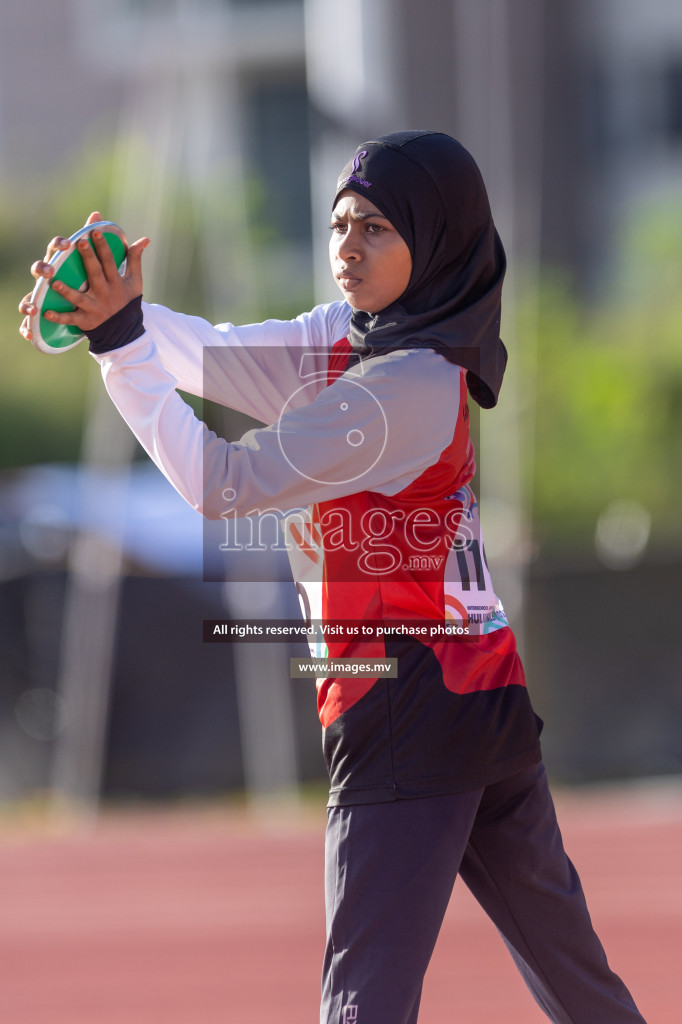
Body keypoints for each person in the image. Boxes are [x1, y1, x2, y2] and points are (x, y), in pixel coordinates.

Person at [19, 130, 647, 1024]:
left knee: (362, 1000)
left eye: (379, 229)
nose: (348, 247)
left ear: (434, 241)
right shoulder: (346, 338)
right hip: (481, 689)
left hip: (402, 706)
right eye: (339, 222)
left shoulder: (406, 386)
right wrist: (109, 306)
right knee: (581, 988)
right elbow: (205, 354)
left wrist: (120, 347)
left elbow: (223, 486)